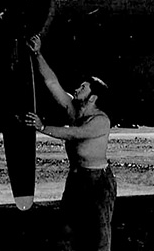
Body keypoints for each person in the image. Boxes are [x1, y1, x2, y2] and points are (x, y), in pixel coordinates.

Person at [24, 35, 116, 251]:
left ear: (92, 97)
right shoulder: (74, 110)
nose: (77, 89)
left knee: (99, 235)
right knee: (66, 231)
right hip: (77, 177)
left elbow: (74, 134)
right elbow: (51, 82)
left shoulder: (101, 121)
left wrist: (42, 128)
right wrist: (38, 53)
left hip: (98, 181)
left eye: (83, 87)